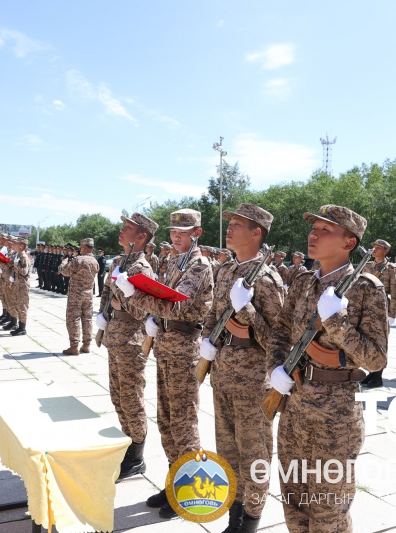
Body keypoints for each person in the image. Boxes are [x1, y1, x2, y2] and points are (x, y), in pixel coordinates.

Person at [268, 204, 388, 533]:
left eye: (325, 230)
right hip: (294, 406)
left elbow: (376, 358)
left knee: (328, 514)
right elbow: (279, 331)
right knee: (294, 505)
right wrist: (276, 368)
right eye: (313, 228)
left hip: (334, 415)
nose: (313, 235)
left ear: (349, 243)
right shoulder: (303, 281)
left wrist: (337, 322)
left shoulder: (366, 287)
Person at [114, 208, 214, 519]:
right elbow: (163, 303)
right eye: (173, 232)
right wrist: (154, 315)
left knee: (184, 423)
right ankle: (174, 482)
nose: (175, 236)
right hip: (166, 345)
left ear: (196, 233)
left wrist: (133, 297)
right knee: (167, 420)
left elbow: (176, 305)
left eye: (182, 232)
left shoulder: (200, 266)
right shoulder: (172, 261)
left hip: (185, 349)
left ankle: (189, 492)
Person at [200, 204, 284, 533]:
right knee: (228, 453)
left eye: (237, 225)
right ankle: (234, 519)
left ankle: (250, 522)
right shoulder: (225, 271)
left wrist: (246, 311)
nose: (229, 229)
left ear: (256, 233)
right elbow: (213, 313)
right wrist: (206, 342)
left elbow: (280, 339)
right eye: (230, 224)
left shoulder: (267, 278)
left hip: (253, 383)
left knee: (255, 457)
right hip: (221, 375)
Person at [96, 213, 157, 479]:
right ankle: (127, 443)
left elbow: (147, 309)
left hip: (132, 339)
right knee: (117, 396)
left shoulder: (142, 269)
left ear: (141, 237)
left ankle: (137, 456)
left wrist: (126, 303)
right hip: (114, 334)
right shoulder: (119, 262)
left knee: (132, 398)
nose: (121, 231)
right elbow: (107, 294)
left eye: (128, 228)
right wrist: (102, 314)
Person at [360, 239, 396, 388]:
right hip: (366, 310)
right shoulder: (368, 266)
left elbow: (395, 292)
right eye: (374, 247)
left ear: (386, 251)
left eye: (379, 247)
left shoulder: (390, 268)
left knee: (381, 342)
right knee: (368, 341)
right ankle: (371, 371)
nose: (375, 249)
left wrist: (392, 314)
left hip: (381, 310)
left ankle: (378, 376)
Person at [59, 238, 100, 354]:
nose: (80, 250)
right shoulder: (95, 261)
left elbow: (65, 272)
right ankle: (86, 345)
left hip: (76, 295)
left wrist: (63, 263)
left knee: (73, 319)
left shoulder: (78, 260)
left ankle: (74, 346)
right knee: (87, 319)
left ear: (85, 248)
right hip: (88, 295)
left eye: (81, 248)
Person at [7, 236, 31, 336]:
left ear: (21, 246)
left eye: (16, 243)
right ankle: (19, 326)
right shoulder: (18, 255)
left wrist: (17, 267)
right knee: (18, 305)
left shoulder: (23, 256)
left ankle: (22, 328)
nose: (14, 245)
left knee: (22, 306)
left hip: (22, 285)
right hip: (18, 284)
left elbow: (24, 272)